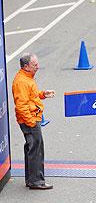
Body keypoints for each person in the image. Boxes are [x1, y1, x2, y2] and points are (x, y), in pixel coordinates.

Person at [12, 53, 55, 190]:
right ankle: (36, 181)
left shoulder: (27, 78)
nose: (38, 67)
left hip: (31, 118)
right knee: (36, 149)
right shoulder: (22, 82)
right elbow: (21, 106)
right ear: (26, 66)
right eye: (34, 65)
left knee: (32, 148)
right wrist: (31, 122)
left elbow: (30, 97)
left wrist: (42, 94)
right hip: (30, 120)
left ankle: (32, 179)